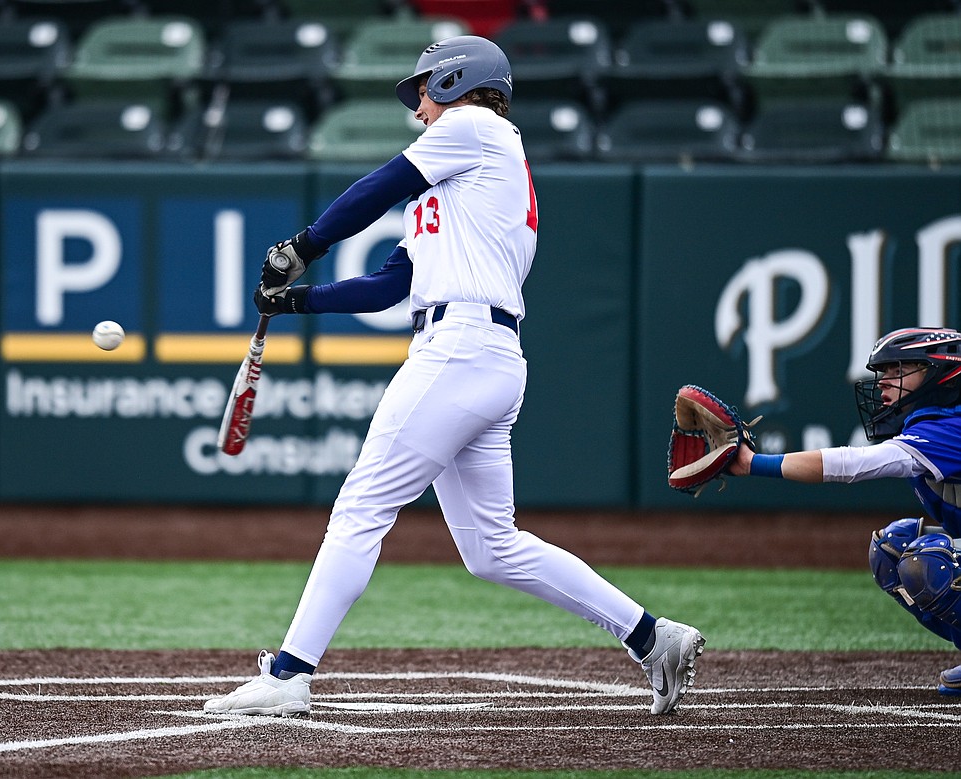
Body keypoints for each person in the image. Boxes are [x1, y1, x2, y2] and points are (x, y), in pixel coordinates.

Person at [202, 35, 705, 718]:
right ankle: (653, 638)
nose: (419, 112)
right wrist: (299, 298)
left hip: (460, 347)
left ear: (456, 83)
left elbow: (376, 186)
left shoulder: (475, 127)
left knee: (360, 508)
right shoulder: (464, 176)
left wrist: (303, 245)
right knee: (493, 549)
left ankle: (290, 672)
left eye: (424, 94)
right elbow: (392, 284)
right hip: (484, 355)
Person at [728, 326, 961, 695]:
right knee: (892, 548)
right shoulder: (937, 423)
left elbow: (852, 465)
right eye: (884, 371)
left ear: (940, 372)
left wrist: (752, 463)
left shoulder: (950, 428)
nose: (884, 380)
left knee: (928, 562)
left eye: (898, 370)